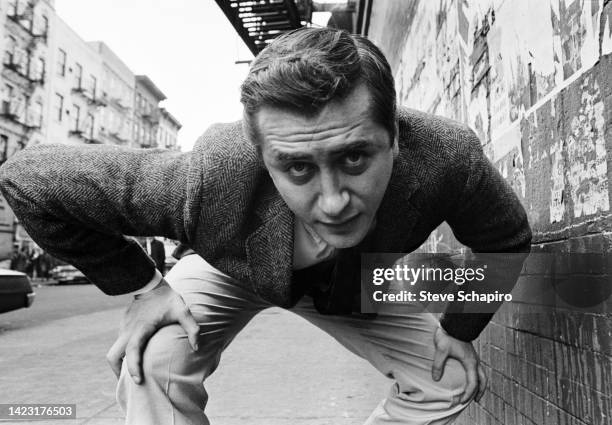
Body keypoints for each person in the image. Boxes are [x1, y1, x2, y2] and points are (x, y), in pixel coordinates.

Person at [0, 28, 531, 424]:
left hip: (352, 283)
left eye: (354, 158)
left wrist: (459, 328)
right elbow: (26, 179)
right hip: (230, 272)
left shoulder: (446, 158)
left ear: (395, 134)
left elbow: (503, 238)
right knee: (153, 362)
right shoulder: (209, 179)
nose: (333, 201)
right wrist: (141, 288)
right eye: (298, 166)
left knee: (449, 378)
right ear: (260, 156)